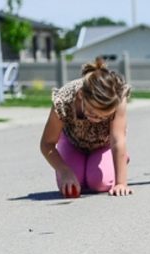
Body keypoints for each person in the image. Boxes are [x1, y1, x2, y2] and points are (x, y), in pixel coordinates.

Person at [40, 57, 132, 197]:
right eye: (92, 113)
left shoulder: (117, 97)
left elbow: (117, 140)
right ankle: (77, 165)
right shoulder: (64, 99)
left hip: (104, 144)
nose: (96, 120)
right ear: (81, 95)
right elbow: (47, 144)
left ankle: (120, 159)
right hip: (72, 142)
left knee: (99, 183)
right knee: (73, 184)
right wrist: (64, 171)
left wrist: (121, 183)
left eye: (103, 117)